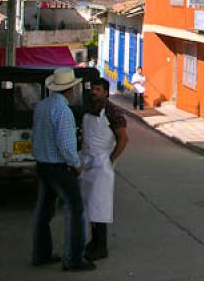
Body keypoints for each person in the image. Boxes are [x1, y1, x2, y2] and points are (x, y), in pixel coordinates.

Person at [31, 68, 95, 272]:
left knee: (43, 212)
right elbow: (67, 146)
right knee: (75, 210)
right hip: (60, 167)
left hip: (43, 165)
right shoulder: (63, 112)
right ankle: (73, 259)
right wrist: (76, 166)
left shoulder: (42, 106)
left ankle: (41, 253)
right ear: (70, 89)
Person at [81, 78, 129, 262]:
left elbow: (123, 139)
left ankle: (101, 247)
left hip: (102, 165)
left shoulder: (113, 112)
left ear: (106, 92)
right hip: (88, 161)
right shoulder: (88, 109)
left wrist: (110, 160)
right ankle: (93, 242)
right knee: (89, 206)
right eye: (93, 89)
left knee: (99, 206)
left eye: (98, 89)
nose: (94, 92)